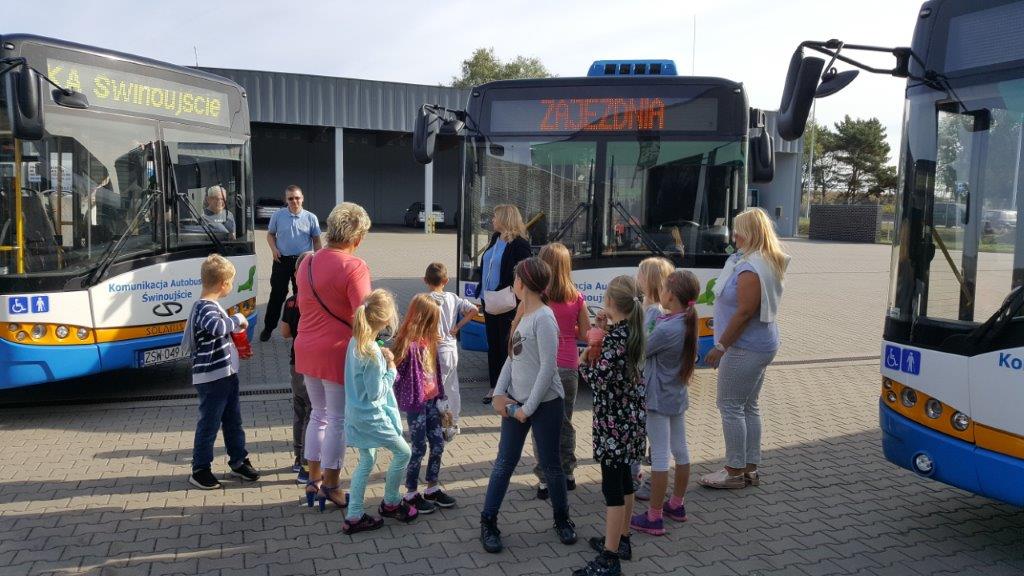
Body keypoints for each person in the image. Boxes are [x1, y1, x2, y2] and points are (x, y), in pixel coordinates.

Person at [480, 257, 577, 554]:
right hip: (517, 401)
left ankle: (562, 519)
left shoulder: (544, 317)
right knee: (504, 463)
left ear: (523, 283)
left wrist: (528, 408)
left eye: (514, 279)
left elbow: (548, 369)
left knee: (551, 465)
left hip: (545, 404)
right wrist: (499, 393)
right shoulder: (523, 313)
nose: (513, 284)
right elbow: (513, 357)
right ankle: (488, 522)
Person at [699, 207, 790, 489]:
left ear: (749, 233)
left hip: (744, 347)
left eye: (738, 231)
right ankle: (749, 467)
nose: (733, 236)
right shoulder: (762, 260)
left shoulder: (751, 268)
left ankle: (734, 471)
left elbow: (745, 312)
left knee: (730, 406)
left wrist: (721, 345)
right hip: (761, 343)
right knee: (748, 405)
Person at [295, 202, 372, 510]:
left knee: (318, 414)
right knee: (337, 418)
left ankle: (312, 481)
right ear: (357, 237)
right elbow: (363, 316)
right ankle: (332, 486)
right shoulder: (354, 266)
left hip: (306, 346)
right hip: (336, 350)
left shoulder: (307, 262)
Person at [575, 275, 647, 576]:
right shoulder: (630, 331)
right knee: (625, 482)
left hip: (614, 424)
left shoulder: (617, 340)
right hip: (630, 420)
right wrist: (602, 330)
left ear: (611, 302)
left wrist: (582, 360)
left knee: (612, 489)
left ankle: (610, 556)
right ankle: (623, 538)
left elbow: (598, 381)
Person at [629, 271, 700, 537]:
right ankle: (676, 504)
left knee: (660, 454)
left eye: (665, 288)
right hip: (676, 395)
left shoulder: (669, 328)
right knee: (680, 449)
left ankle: (654, 516)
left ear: (671, 295)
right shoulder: (684, 320)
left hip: (658, 398)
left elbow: (641, 350)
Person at [182, 254, 260, 490]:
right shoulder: (205, 307)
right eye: (231, 282)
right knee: (209, 423)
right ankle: (200, 469)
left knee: (233, 420)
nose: (232, 286)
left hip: (226, 375)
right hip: (212, 378)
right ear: (224, 284)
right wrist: (238, 318)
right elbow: (217, 327)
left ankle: (238, 460)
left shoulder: (211, 306)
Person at [343, 289, 418, 534]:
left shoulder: (356, 341)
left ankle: (354, 514)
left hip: (355, 413)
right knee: (403, 453)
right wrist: (391, 368)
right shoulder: (372, 352)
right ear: (385, 320)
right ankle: (391, 501)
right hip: (371, 416)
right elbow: (376, 393)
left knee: (367, 460)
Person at [392, 294, 458, 514]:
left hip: (432, 401)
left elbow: (436, 371)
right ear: (424, 318)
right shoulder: (407, 344)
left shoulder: (431, 340)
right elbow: (395, 374)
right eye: (433, 319)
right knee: (418, 447)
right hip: (417, 404)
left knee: (438, 444)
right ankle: (411, 492)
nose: (436, 324)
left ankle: (432, 487)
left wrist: (441, 396)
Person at [532, 242, 587, 501]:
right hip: (569, 368)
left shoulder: (538, 297)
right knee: (565, 422)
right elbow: (585, 333)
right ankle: (568, 474)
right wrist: (567, 330)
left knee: (541, 425)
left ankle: (545, 479)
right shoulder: (577, 297)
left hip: (542, 367)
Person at [479, 204, 532, 404]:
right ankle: (494, 387)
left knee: (506, 346)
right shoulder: (495, 238)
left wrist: (509, 289)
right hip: (489, 299)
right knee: (493, 345)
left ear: (505, 218)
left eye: (495, 216)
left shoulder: (519, 244)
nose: (492, 220)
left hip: (507, 301)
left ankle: (508, 389)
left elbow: (524, 273)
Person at [632, 256, 675, 499]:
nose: (636, 278)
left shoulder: (655, 312)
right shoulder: (647, 307)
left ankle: (653, 484)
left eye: (640, 274)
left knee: (655, 437)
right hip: (643, 379)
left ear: (650, 280)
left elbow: (644, 346)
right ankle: (636, 474)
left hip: (648, 382)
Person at [261, 185, 322, 342]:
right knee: (277, 295)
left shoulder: (311, 218)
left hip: (303, 262)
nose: (294, 201)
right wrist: (273, 249)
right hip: (281, 260)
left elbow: (316, 240)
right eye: (290, 198)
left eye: (297, 198)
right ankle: (268, 328)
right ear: (286, 200)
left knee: (301, 297)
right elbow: (270, 235)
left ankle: (300, 330)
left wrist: (318, 258)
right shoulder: (278, 216)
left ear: (302, 198)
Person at [424, 262, 478, 434]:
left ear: (425, 280)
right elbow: (474, 310)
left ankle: (439, 423)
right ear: (446, 280)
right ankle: (454, 422)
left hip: (436, 350)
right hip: (451, 349)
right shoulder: (453, 298)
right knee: (452, 387)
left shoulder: (425, 300)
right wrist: (458, 327)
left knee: (435, 388)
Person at [280, 251, 315, 483]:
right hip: (316, 363)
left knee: (299, 409)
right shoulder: (318, 300)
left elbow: (284, 332)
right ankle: (307, 461)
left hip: (296, 360)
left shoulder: (291, 302)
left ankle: (297, 457)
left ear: (295, 274)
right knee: (315, 411)